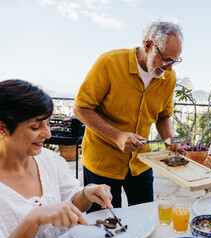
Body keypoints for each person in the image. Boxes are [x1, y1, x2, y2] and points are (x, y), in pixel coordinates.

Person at [74, 21, 185, 212]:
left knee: (145, 219)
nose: (169, 68)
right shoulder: (108, 63)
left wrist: (170, 140)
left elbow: (163, 116)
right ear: (148, 45)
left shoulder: (169, 78)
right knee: (105, 225)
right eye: (166, 59)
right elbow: (81, 108)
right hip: (102, 164)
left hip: (140, 164)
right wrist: (117, 136)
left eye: (174, 61)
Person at [0, 79, 113, 238]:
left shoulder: (50, 161)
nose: (48, 134)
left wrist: (87, 193)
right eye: (35, 127)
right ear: (2, 127)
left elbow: (72, 205)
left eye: (48, 124)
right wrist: (34, 219)